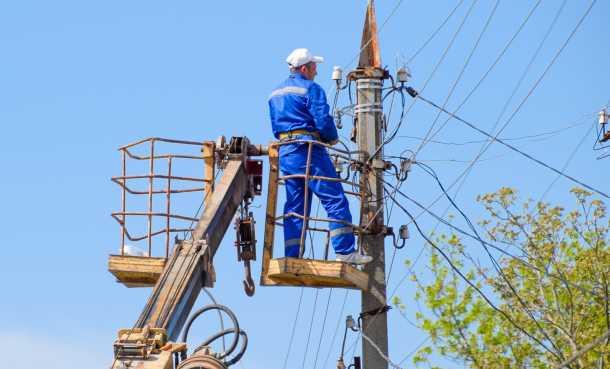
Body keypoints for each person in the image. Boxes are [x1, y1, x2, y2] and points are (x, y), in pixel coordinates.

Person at [268, 48, 372, 265]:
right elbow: (323, 121)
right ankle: (344, 252)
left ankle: (292, 256)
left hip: (286, 153)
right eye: (314, 68)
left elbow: (275, 128)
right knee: (334, 198)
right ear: (304, 68)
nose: (316, 73)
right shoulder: (311, 88)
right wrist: (332, 138)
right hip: (309, 151)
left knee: (295, 206)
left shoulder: (275, 94)